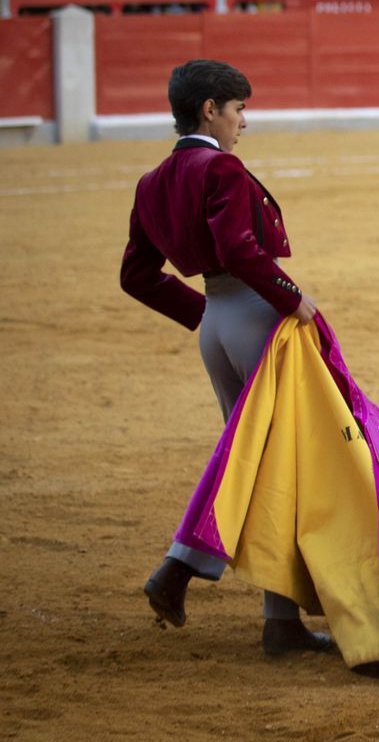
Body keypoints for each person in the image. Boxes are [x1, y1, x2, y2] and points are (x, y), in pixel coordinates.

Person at [123, 61, 334, 657]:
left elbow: (135, 276)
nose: (245, 120)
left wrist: (204, 318)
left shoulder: (152, 180)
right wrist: (293, 300)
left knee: (262, 464)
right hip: (253, 320)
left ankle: (280, 620)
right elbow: (241, 250)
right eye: (239, 108)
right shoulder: (219, 166)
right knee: (274, 463)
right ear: (209, 109)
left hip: (217, 325)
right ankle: (179, 567)